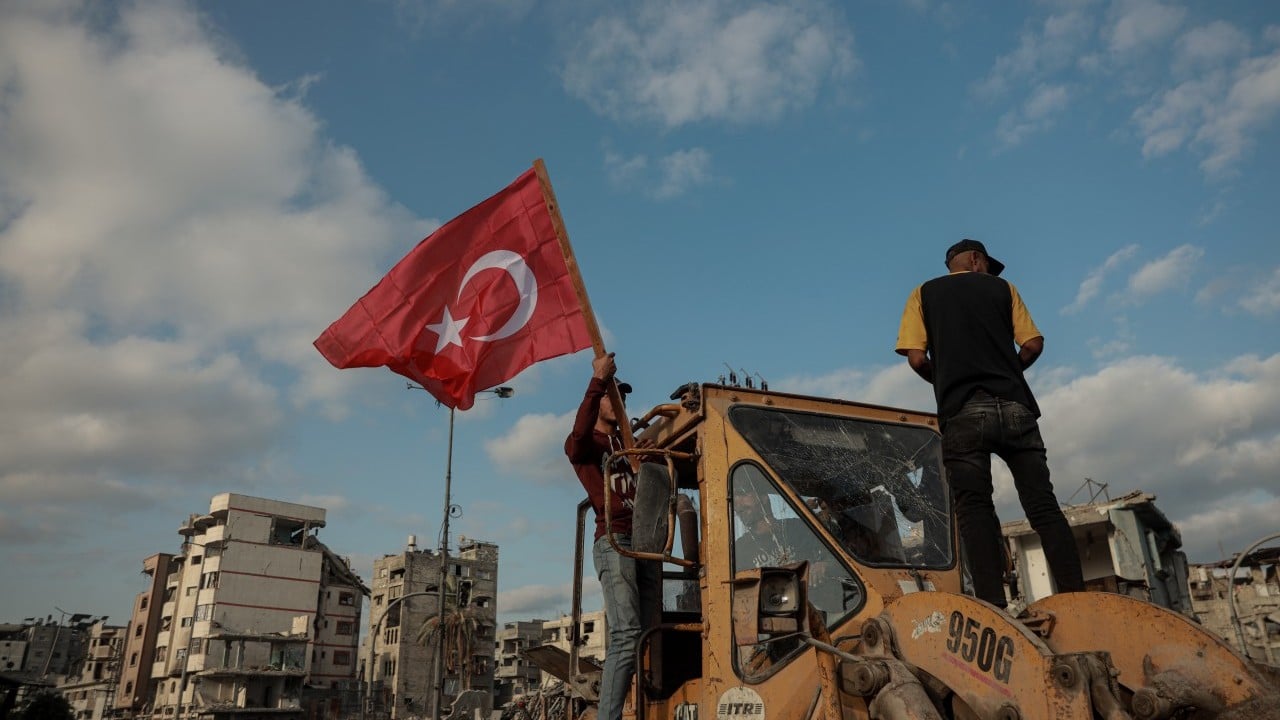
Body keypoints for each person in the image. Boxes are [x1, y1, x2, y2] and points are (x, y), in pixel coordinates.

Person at [895, 239, 1084, 608]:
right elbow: (1032, 345)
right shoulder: (1003, 289)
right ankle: (1077, 599)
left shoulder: (923, 293)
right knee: (1043, 506)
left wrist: (948, 379)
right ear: (976, 260)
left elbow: (917, 359)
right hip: (1016, 408)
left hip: (963, 412)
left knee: (975, 509)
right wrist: (1010, 371)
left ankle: (992, 607)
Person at [565, 352, 659, 720]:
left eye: (622, 394)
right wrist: (597, 382)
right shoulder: (588, 446)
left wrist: (649, 457)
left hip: (647, 543)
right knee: (626, 632)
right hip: (615, 541)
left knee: (650, 633)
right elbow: (577, 437)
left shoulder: (630, 448)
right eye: (612, 393)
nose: (618, 400)